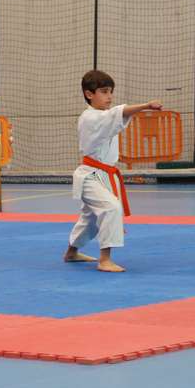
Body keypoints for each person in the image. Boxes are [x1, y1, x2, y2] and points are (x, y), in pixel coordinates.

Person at [64, 70, 162, 272]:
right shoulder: (90, 117)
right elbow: (118, 113)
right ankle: (105, 259)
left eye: (111, 92)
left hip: (104, 176)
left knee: (90, 220)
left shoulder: (102, 117)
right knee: (111, 208)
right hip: (90, 176)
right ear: (89, 94)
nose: (109, 96)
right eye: (104, 91)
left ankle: (71, 252)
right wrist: (145, 106)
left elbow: (115, 116)